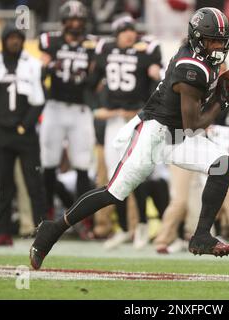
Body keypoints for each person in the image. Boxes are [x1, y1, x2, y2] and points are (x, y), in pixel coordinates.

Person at [30, 7, 229, 269]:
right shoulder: (190, 69)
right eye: (212, 40)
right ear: (197, 38)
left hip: (176, 134)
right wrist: (222, 101)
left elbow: (191, 123)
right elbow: (194, 125)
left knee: (222, 165)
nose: (216, 46)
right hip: (155, 133)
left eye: (220, 41)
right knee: (113, 193)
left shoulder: (202, 59)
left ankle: (201, 236)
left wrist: (220, 96)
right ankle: (52, 229)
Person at [88, 15, 163, 249]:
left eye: (132, 29)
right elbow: (90, 82)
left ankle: (140, 226)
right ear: (116, 33)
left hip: (136, 118)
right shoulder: (105, 49)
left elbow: (157, 81)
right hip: (114, 121)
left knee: (137, 173)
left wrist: (155, 72)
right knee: (115, 176)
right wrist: (97, 106)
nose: (130, 34)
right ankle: (122, 227)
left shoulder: (147, 50)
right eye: (125, 30)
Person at [0, 25, 46, 246]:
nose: (15, 42)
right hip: (2, 134)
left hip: (25, 134)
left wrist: (24, 125)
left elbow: (38, 100)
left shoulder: (33, 65)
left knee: (34, 183)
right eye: (11, 38)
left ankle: (42, 230)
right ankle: (3, 232)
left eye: (19, 38)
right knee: (3, 184)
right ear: (4, 40)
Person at [38, 0, 97, 233]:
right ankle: (47, 215)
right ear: (63, 22)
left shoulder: (93, 44)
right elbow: (40, 72)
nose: (75, 24)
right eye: (71, 20)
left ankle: (82, 219)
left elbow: (95, 79)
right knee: (49, 162)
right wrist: (48, 66)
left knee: (82, 164)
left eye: (79, 20)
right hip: (54, 107)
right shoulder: (50, 41)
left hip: (80, 109)